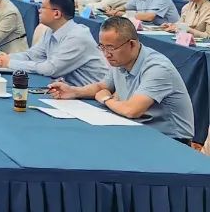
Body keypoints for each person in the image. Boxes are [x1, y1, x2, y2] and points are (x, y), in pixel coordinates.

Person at [47, 17, 194, 144]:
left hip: (171, 140)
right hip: (139, 129)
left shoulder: (157, 68)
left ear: (132, 44)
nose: (106, 54)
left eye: (111, 48)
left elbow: (131, 110)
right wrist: (73, 91)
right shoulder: (120, 60)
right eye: (102, 47)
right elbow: (102, 87)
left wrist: (106, 99)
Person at [0, 0, 108, 86]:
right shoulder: (51, 30)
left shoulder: (78, 36)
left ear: (56, 14)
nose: (39, 10)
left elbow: (51, 69)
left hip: (91, 95)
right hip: (69, 90)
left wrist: (10, 63)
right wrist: (6, 58)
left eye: (43, 7)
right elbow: (32, 56)